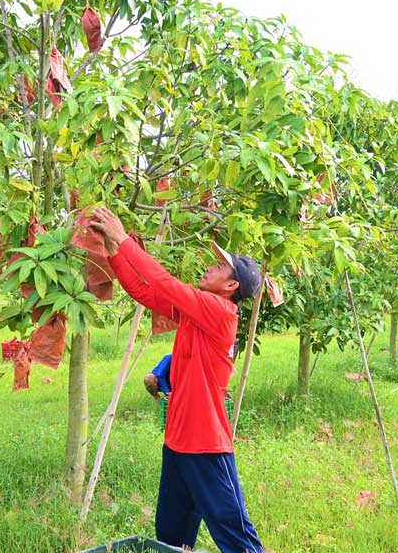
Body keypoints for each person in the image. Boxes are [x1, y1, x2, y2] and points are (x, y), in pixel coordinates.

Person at [90, 207, 265, 553]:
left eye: (219, 267)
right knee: (171, 537)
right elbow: (147, 294)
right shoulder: (197, 313)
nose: (209, 267)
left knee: (236, 536)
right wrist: (113, 251)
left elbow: (165, 284)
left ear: (231, 286)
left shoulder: (220, 312)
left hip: (206, 446)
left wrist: (123, 239)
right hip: (178, 443)